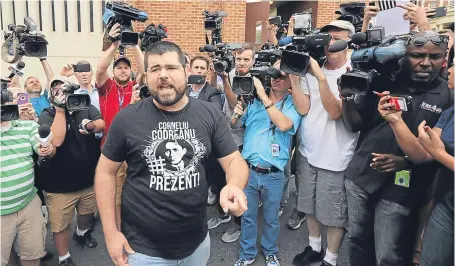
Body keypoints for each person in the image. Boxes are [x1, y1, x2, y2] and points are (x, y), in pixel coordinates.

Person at [95, 41, 249, 266]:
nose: (163, 75)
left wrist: (234, 183)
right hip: (142, 251)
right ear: (145, 76)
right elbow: (105, 173)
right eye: (155, 69)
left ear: (186, 71)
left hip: (196, 245)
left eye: (171, 67)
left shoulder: (209, 115)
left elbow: (234, 159)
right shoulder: (126, 119)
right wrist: (110, 233)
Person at [342, 31, 451, 266]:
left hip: (403, 188)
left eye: (435, 56)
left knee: (388, 254)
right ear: (404, 56)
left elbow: (441, 151)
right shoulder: (383, 81)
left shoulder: (446, 97)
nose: (425, 62)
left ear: (445, 58)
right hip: (361, 176)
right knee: (357, 239)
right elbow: (354, 125)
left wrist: (405, 160)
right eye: (417, 55)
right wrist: (347, 98)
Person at [377, 47, 454, 266]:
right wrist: (395, 120)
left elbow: (435, 153)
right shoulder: (451, 111)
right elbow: (423, 155)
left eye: (453, 64)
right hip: (447, 205)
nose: (449, 69)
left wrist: (440, 154)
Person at [292, 20, 358, 266]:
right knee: (308, 204)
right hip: (308, 151)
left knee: (333, 214)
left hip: (336, 155)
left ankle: (331, 258)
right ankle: (314, 247)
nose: (329, 44)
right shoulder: (312, 69)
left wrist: (319, 77)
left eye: (336, 38)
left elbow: (335, 112)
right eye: (325, 38)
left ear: (348, 41)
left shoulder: (353, 71)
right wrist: (294, 77)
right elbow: (303, 107)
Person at [232, 60, 304, 266]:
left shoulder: (292, 104)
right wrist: (237, 112)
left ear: (291, 80)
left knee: (271, 218)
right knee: (248, 217)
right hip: (249, 171)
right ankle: (247, 254)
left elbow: (284, 125)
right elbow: (235, 124)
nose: (276, 80)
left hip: (274, 173)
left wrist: (263, 97)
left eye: (282, 76)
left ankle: (270, 251)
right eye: (273, 76)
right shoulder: (253, 101)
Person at [36, 76, 105, 266]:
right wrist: (60, 108)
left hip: (87, 180)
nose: (60, 91)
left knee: (86, 214)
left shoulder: (84, 105)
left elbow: (101, 123)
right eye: (55, 88)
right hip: (59, 187)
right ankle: (64, 256)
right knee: (60, 225)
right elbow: (56, 140)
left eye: (63, 87)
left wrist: (90, 126)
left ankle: (81, 233)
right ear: (51, 94)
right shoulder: (47, 113)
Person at [95, 22, 145, 230]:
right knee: (114, 195)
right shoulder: (107, 87)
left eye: (126, 67)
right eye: (119, 67)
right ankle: (117, 231)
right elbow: (99, 69)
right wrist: (114, 44)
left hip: (134, 148)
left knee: (135, 191)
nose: (123, 70)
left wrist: (133, 45)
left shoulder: (136, 87)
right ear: (114, 71)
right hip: (111, 148)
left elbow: (145, 69)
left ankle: (135, 226)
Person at [1, 100, 56, 266]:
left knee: (32, 256)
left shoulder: (27, 127)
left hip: (29, 205)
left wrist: (47, 149)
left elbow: (43, 146)